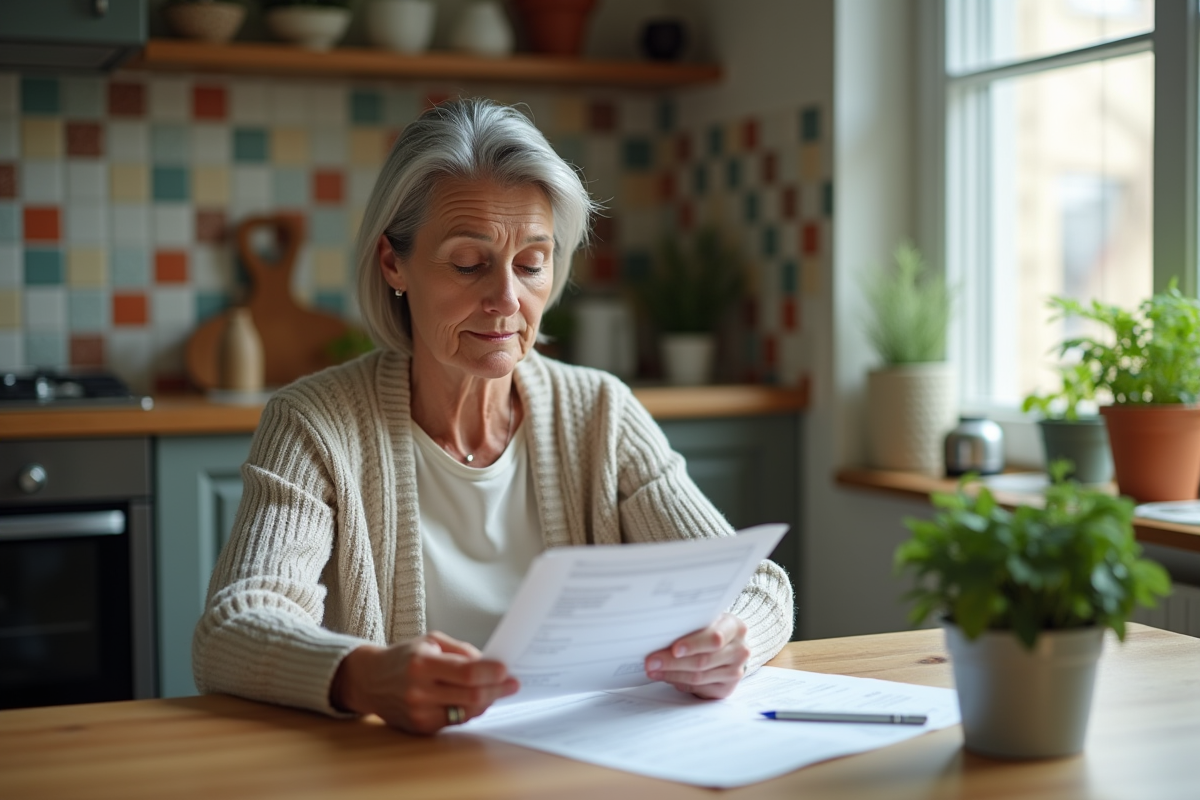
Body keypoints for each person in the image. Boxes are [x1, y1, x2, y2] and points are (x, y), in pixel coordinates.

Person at [193, 98, 794, 735]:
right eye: (469, 263)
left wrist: (735, 638)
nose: (507, 299)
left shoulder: (601, 412)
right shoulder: (314, 424)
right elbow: (233, 629)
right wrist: (364, 674)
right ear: (393, 263)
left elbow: (756, 584)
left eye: (532, 263)